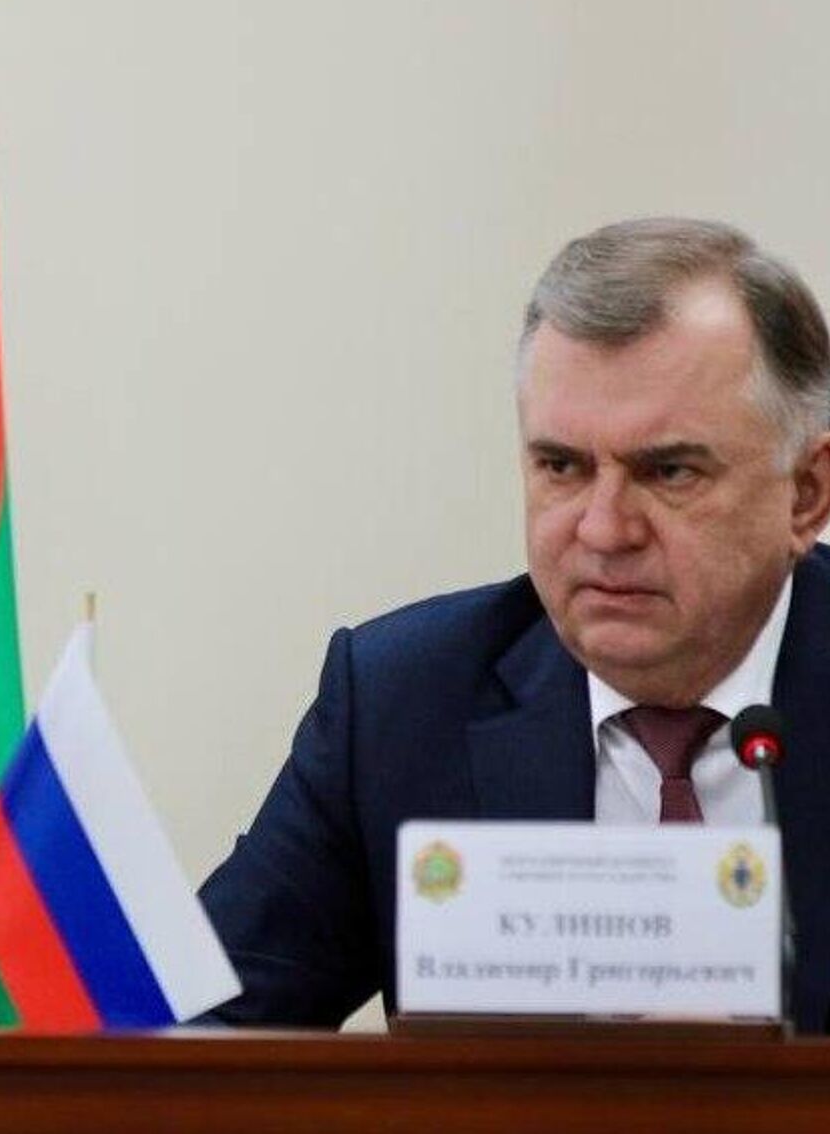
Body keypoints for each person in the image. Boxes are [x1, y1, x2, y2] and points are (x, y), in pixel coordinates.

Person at [198, 217, 830, 1031]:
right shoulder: (400, 702)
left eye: (669, 471)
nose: (604, 529)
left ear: (806, 495)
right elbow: (194, 1037)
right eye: (562, 466)